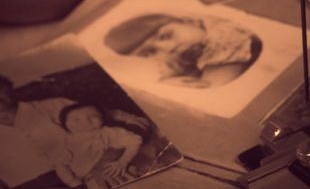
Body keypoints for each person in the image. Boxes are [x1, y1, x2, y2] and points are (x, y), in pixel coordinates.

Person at [0, 75, 148, 189]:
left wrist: (107, 159)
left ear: (9, 87)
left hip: (92, 174)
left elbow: (135, 122)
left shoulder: (53, 105)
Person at [104, 14, 262, 89]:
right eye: (149, 53)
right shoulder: (189, 67)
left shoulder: (224, 32)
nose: (168, 49)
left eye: (166, 35)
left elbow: (212, 84)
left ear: (189, 21)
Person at [52, 103, 142, 189]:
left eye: (93, 116)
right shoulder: (65, 142)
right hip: (88, 179)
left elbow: (135, 141)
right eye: (76, 120)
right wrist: (72, 181)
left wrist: (123, 161)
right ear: (66, 125)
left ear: (102, 117)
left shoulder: (108, 132)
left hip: (115, 169)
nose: (86, 121)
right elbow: (61, 165)